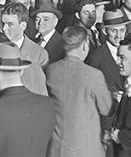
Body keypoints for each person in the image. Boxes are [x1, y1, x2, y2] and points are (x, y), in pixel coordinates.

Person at [46, 25, 113, 157]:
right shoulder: (93, 75)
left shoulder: (51, 70)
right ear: (85, 45)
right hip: (86, 149)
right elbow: (107, 109)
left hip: (57, 147)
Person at [87, 9, 128, 155]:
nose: (119, 35)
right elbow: (88, 92)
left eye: (122, 30)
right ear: (105, 31)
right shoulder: (96, 56)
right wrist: (109, 94)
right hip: (106, 123)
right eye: (114, 31)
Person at [31, 0, 64, 64]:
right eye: (37, 19)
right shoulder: (34, 42)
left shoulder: (62, 44)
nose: (40, 22)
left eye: (46, 19)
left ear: (55, 22)